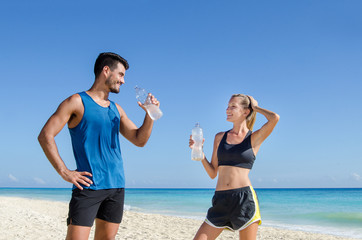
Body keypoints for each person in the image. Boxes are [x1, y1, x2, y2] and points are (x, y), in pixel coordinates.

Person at [38, 52, 160, 240]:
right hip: (88, 187)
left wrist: (150, 114)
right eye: (120, 75)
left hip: (116, 187)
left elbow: (139, 140)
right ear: (106, 71)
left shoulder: (116, 109)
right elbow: (46, 135)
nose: (123, 81)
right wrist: (64, 172)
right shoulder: (76, 102)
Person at [189, 94, 279, 240]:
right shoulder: (220, 137)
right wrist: (199, 152)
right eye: (227, 106)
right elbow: (213, 173)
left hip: (244, 200)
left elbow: (274, 118)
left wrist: (255, 107)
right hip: (220, 200)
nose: (227, 109)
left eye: (233, 106)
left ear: (245, 111)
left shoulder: (253, 138)